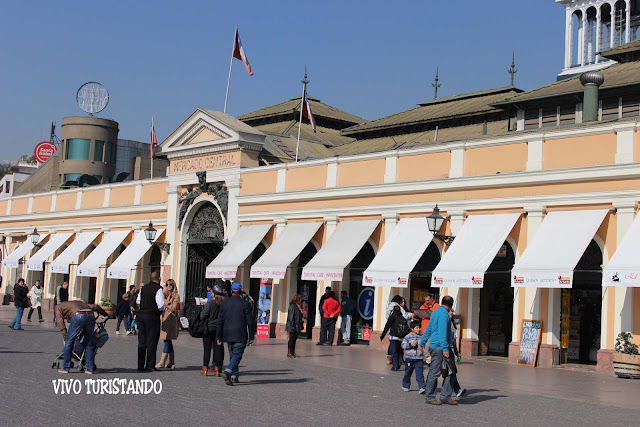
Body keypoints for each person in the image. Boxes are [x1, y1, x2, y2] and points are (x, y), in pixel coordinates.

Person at [419, 295, 456, 405]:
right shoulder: (444, 315)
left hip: (435, 346)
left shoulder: (435, 312)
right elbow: (442, 332)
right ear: (451, 305)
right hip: (440, 347)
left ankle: (445, 396)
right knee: (438, 372)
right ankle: (431, 397)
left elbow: (429, 328)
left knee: (449, 371)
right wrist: (445, 348)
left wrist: (422, 341)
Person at [55, 300, 108, 374]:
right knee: (89, 342)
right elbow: (95, 306)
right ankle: (90, 369)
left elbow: (59, 321)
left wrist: (65, 336)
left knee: (69, 341)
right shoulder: (79, 303)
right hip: (90, 315)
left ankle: (66, 367)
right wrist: (105, 314)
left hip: (78, 316)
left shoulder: (58, 307)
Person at [216, 283, 254, 386]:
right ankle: (228, 371)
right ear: (240, 291)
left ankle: (234, 376)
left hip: (228, 334)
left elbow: (220, 321)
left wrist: (218, 336)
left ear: (232, 291)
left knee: (233, 355)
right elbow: (250, 321)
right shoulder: (245, 304)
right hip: (240, 334)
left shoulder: (225, 303)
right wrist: (251, 336)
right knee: (237, 355)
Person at [136, 271, 165, 372]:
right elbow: (161, 304)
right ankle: (150, 365)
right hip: (152, 316)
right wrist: (158, 310)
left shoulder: (143, 288)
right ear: (159, 279)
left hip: (142, 315)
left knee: (142, 341)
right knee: (152, 341)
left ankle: (140, 365)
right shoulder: (158, 289)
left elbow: (138, 301)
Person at [200, 284, 226, 376]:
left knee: (207, 349)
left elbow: (203, 316)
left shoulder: (210, 303)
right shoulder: (224, 304)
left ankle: (205, 369)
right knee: (218, 349)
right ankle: (217, 370)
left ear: (214, 294)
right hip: (220, 329)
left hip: (209, 328)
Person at [156, 278, 180, 369]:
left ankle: (162, 362)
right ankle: (172, 362)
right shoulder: (164, 295)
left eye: (170, 285)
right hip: (164, 319)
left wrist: (165, 303)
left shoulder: (176, 296)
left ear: (173, 286)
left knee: (166, 339)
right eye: (167, 285)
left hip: (171, 320)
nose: (168, 286)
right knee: (167, 340)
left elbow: (173, 308)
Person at [385, 296, 414, 364]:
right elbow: (405, 316)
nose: (403, 303)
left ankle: (394, 358)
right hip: (398, 329)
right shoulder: (397, 306)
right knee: (396, 345)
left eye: (404, 301)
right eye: (402, 301)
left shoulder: (391, 306)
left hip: (395, 329)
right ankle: (395, 359)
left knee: (395, 344)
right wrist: (411, 315)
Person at [401, 321, 426, 393]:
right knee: (408, 373)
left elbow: (424, 345)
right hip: (409, 358)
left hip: (419, 358)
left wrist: (424, 350)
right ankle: (406, 385)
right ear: (412, 329)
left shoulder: (422, 337)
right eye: (417, 328)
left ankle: (422, 387)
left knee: (419, 373)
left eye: (419, 327)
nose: (419, 329)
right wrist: (410, 345)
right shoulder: (408, 337)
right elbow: (403, 345)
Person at [380, 305, 407, 371]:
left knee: (394, 351)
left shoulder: (392, 317)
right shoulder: (403, 318)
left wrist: (382, 335)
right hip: (401, 337)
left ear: (393, 310)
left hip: (393, 337)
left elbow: (387, 326)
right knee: (400, 350)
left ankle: (395, 366)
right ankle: (400, 360)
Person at [448, 309, 466, 398]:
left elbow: (454, 341)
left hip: (450, 350)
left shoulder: (452, 324)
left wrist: (457, 353)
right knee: (439, 372)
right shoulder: (444, 323)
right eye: (450, 311)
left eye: (452, 311)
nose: (451, 313)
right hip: (443, 350)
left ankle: (457, 390)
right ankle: (427, 387)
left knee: (451, 371)